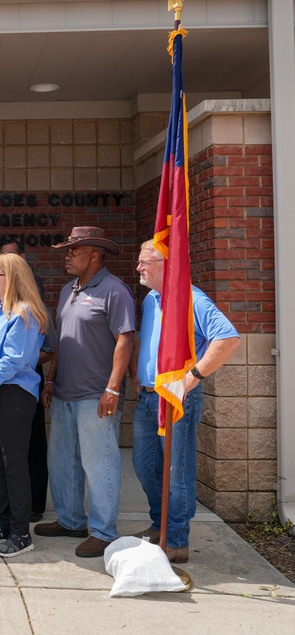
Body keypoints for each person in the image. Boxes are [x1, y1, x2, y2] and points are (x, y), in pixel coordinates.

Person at [131, 240, 240, 563]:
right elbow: (145, 339)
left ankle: (176, 539)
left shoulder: (192, 298)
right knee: (145, 465)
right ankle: (159, 524)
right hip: (148, 398)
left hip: (177, 400)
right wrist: (140, 373)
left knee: (176, 470)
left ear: (166, 264)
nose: (139, 267)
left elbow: (229, 338)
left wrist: (192, 378)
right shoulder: (151, 299)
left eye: (145, 262)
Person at [37, 226, 135, 558]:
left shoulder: (114, 290)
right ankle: (70, 521)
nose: (67, 256)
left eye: (73, 251)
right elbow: (63, 340)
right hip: (64, 392)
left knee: (100, 464)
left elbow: (125, 339)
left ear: (94, 254)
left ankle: (105, 532)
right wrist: (51, 380)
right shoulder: (68, 290)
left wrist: (112, 387)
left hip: (96, 395)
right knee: (62, 462)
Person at [0, 253, 49, 558]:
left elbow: (14, 360)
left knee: (14, 463)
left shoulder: (24, 313)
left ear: (12, 278)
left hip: (14, 394)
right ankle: (2, 524)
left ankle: (20, 532)